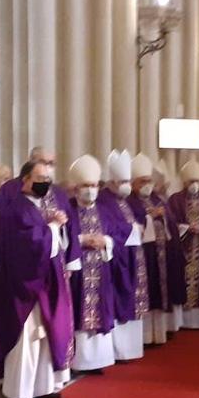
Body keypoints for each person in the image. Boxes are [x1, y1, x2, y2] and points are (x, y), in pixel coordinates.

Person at [0, 158, 75, 398]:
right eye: (40, 179)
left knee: (41, 338)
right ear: (25, 180)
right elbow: (31, 244)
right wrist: (53, 226)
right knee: (26, 341)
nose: (44, 184)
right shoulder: (17, 207)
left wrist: (52, 225)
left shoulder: (34, 205)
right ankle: (20, 393)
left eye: (47, 180)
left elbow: (44, 239)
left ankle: (41, 386)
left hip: (39, 284)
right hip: (22, 288)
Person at [67, 155, 118, 373]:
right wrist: (82, 240)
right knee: (78, 311)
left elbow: (116, 234)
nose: (91, 190)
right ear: (76, 188)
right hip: (78, 271)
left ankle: (98, 361)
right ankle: (78, 362)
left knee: (100, 311)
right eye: (86, 186)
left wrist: (105, 241)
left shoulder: (104, 210)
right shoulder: (68, 210)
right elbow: (63, 237)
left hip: (100, 269)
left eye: (94, 185)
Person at [98, 150, 148, 360]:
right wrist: (133, 230)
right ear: (112, 181)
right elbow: (108, 227)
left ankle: (132, 349)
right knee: (121, 299)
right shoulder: (104, 200)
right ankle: (120, 351)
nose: (127, 185)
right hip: (117, 259)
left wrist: (137, 227)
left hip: (132, 256)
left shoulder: (122, 199)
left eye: (129, 180)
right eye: (123, 181)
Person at [168, 160, 199, 329]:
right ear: (184, 182)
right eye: (191, 181)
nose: (194, 184)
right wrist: (186, 228)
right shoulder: (175, 199)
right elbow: (171, 222)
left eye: (197, 181)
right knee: (181, 278)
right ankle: (182, 321)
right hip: (183, 248)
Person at [130, 153, 171, 346]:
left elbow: (169, 222)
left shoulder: (156, 199)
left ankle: (159, 334)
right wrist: (150, 216)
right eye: (142, 181)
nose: (147, 185)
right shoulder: (130, 202)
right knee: (148, 291)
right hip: (143, 254)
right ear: (133, 183)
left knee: (159, 290)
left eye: (149, 181)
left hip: (159, 253)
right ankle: (146, 337)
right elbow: (131, 225)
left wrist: (161, 216)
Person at [155, 158, 186, 334]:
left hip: (170, 251)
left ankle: (171, 325)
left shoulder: (164, 201)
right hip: (155, 253)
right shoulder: (152, 201)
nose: (164, 187)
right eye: (162, 184)